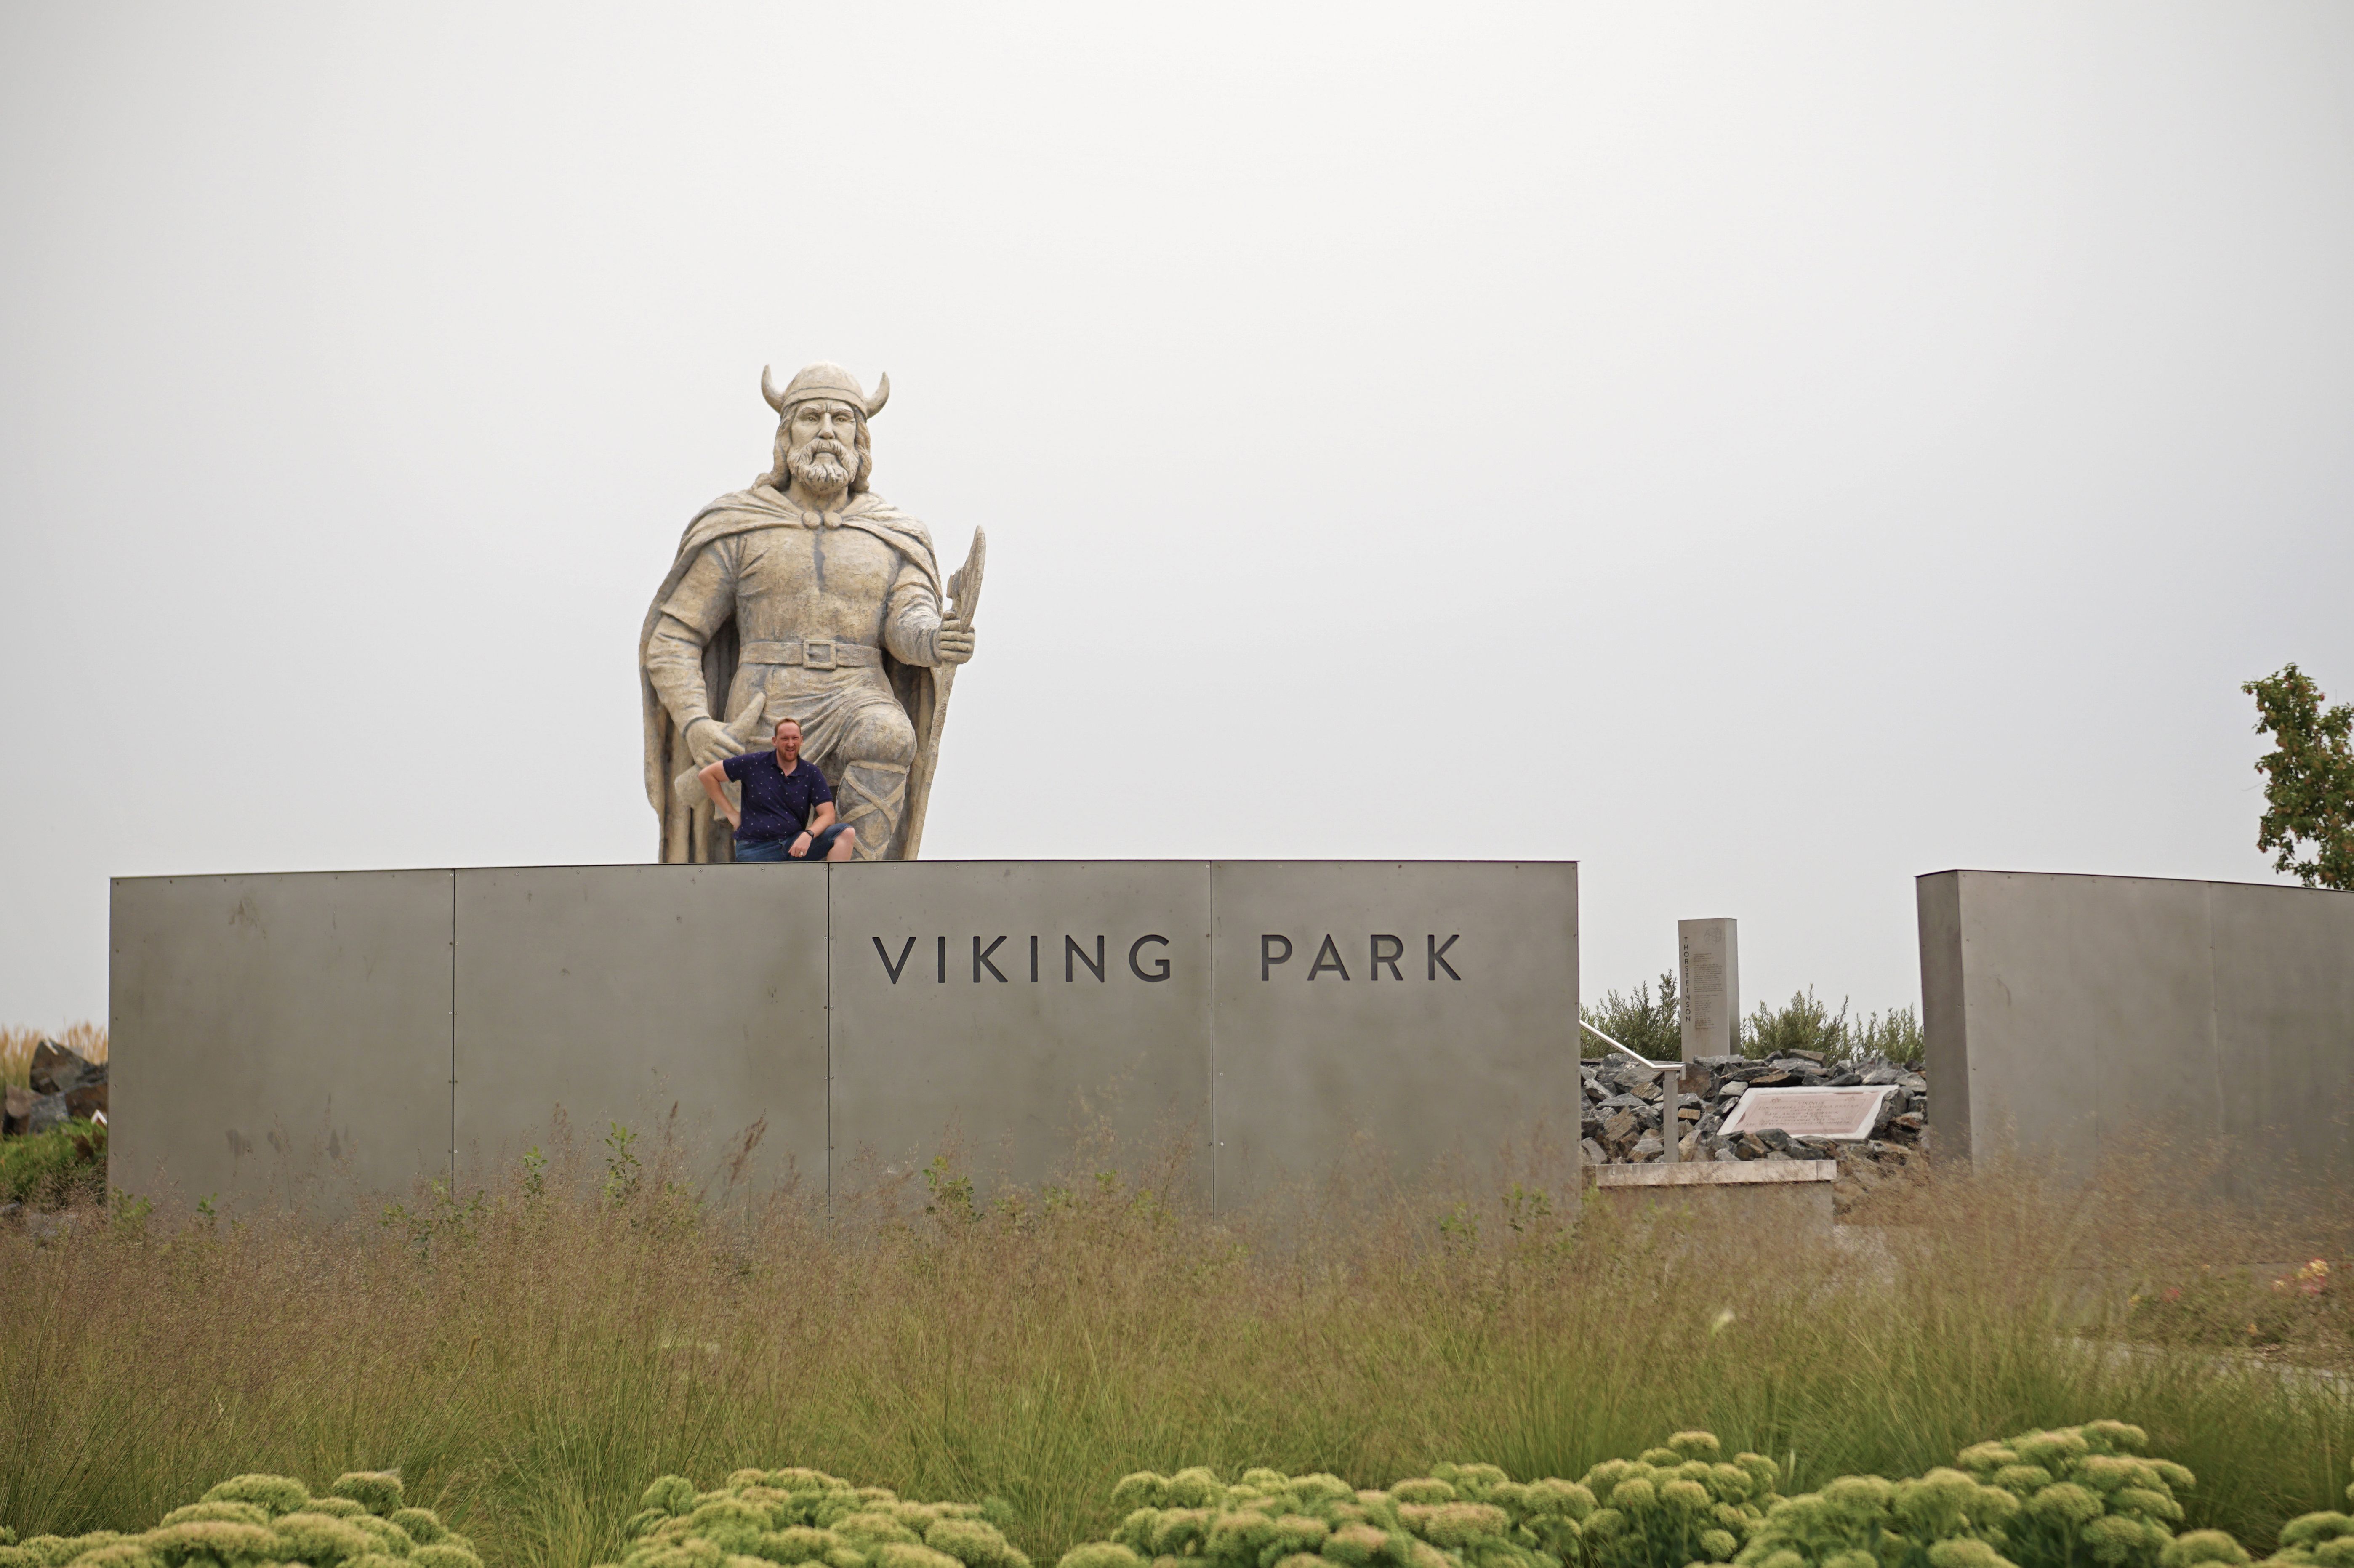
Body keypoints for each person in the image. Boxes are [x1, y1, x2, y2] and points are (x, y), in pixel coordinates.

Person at [640, 362, 977, 864]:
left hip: (858, 692)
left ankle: (856, 888)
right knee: (768, 857)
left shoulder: (893, 532)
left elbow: (907, 619)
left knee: (888, 734)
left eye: (842, 418)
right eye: (810, 416)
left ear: (861, 439)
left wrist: (935, 640)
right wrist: (696, 724)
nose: (826, 430)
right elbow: (674, 637)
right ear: (785, 435)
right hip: (765, 701)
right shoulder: (742, 525)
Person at [700, 717, 856, 863]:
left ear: (801, 741)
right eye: (785, 739)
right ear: (775, 741)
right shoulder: (754, 763)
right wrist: (731, 814)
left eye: (795, 738)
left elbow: (828, 815)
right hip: (755, 849)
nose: (790, 744)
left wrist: (808, 835)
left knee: (846, 833)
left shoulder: (812, 773)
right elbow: (707, 775)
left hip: (795, 846)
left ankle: (834, 891)